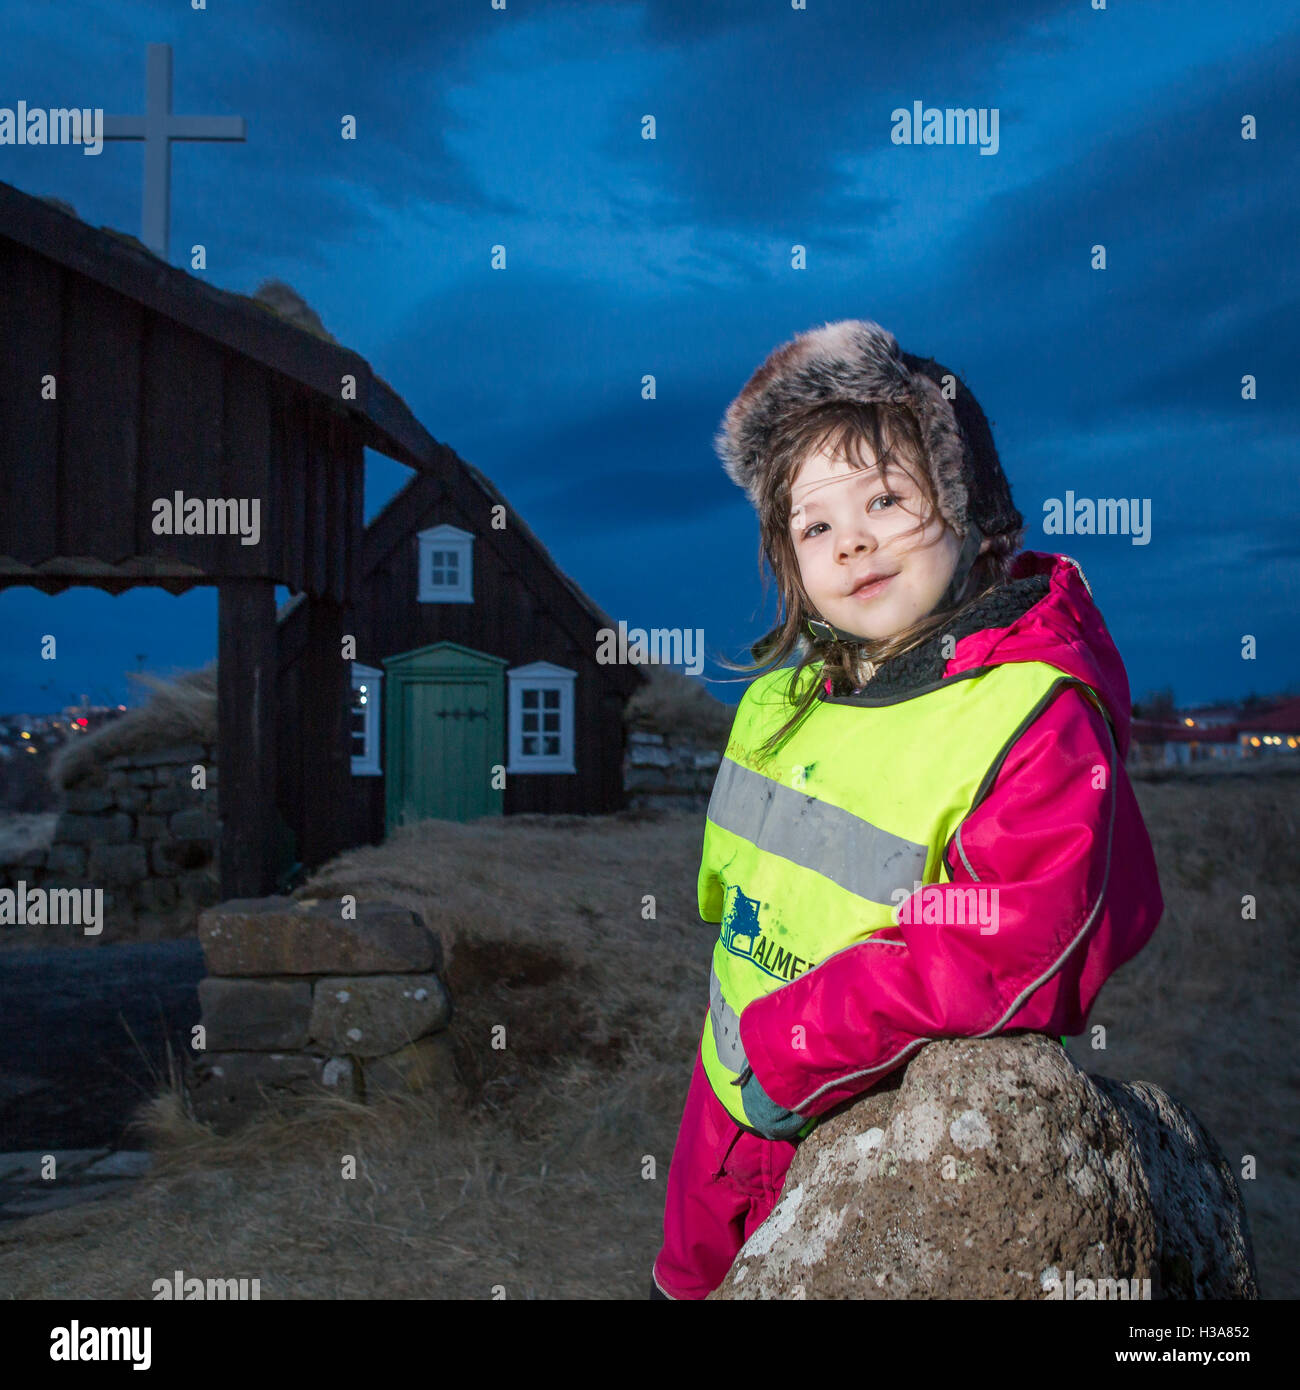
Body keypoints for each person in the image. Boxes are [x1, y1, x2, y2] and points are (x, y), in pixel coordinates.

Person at [650, 318, 1164, 1300]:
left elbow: (1009, 947)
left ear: (973, 507)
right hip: (720, 1099)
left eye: (885, 497)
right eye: (812, 524)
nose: (850, 539)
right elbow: (737, 885)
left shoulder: (1029, 715)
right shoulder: (777, 703)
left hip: (866, 1125)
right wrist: (745, 1044)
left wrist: (790, 1043)